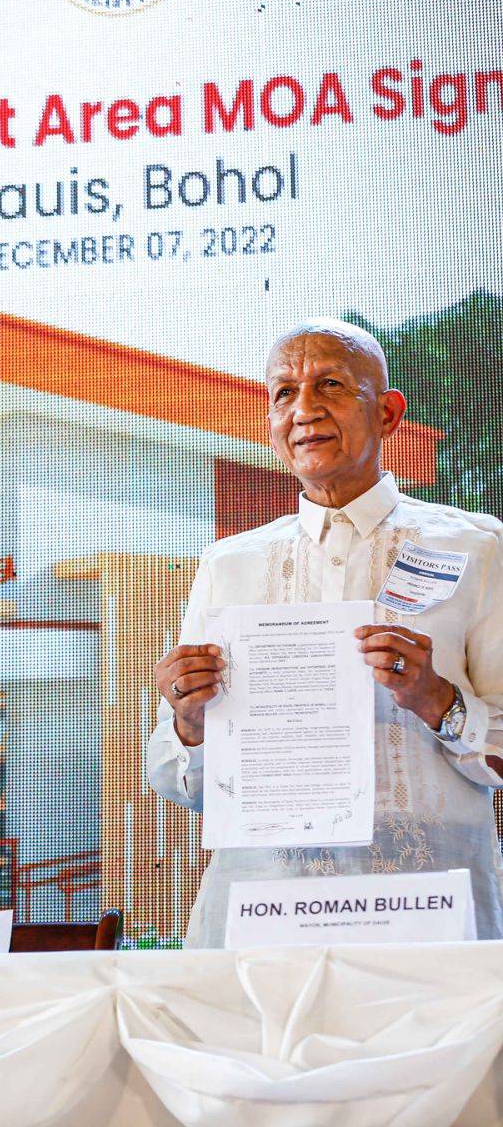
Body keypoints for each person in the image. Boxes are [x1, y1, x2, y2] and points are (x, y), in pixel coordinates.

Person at [147, 317, 503, 946]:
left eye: (331, 385)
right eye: (283, 392)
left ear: (389, 414)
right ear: (270, 425)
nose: (304, 408)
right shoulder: (228, 564)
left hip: (428, 912)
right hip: (263, 913)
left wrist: (436, 699)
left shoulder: (477, 549)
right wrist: (190, 724)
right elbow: (183, 786)